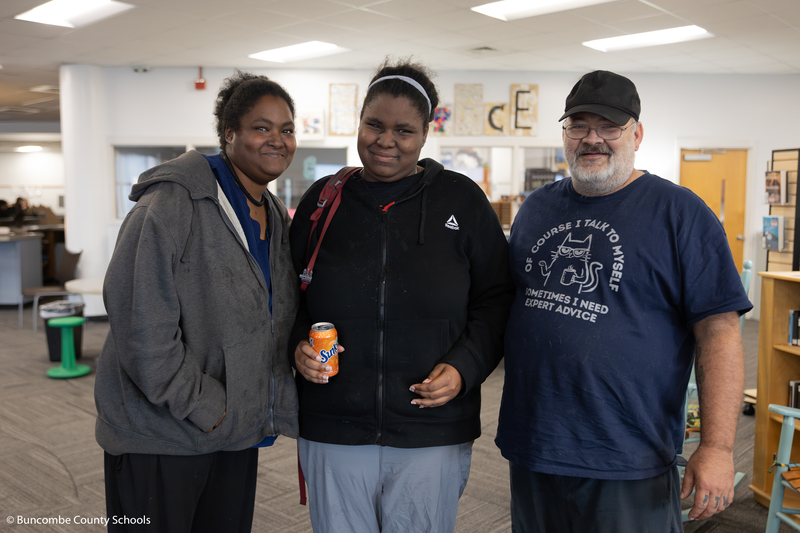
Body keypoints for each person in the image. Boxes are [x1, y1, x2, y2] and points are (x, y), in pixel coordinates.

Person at [495, 70, 753, 532]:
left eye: (608, 126)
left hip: (626, 452)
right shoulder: (535, 209)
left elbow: (720, 333)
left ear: (636, 133)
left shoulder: (681, 213)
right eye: (578, 126)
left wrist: (716, 447)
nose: (592, 139)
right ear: (565, 135)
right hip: (535, 443)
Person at [289, 59, 514, 533]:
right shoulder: (322, 201)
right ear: (360, 121)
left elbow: (496, 298)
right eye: (374, 124)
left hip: (429, 425)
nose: (385, 140)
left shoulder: (461, 201)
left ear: (425, 135)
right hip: (334, 422)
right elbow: (288, 296)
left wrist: (464, 368)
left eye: (403, 130)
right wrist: (297, 347)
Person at [95, 71, 300, 533]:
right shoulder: (171, 202)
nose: (277, 140)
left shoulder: (272, 214)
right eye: (261, 127)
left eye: (286, 129)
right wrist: (207, 406)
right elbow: (140, 327)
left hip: (232, 432)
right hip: (163, 436)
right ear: (229, 134)